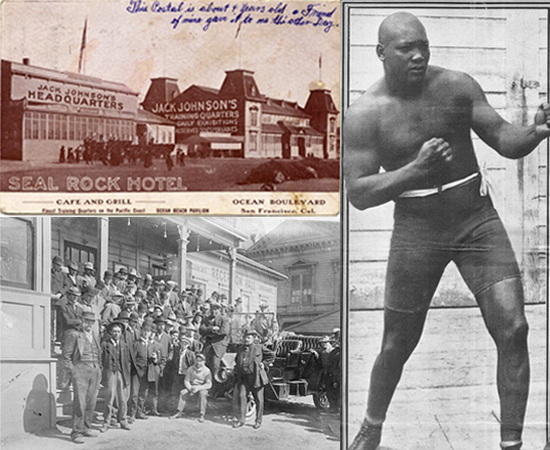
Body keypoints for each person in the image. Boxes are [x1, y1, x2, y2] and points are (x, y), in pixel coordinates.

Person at [344, 12, 550, 450]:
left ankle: (511, 442)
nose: (418, 55)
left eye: (424, 45)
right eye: (405, 49)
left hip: (476, 220)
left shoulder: (457, 85)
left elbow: (503, 138)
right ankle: (372, 425)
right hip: (416, 230)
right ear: (381, 53)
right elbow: (358, 193)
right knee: (397, 342)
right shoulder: (364, 114)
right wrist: (414, 170)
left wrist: (535, 132)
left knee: (514, 328)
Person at [61, 311, 102, 444]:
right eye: (87, 321)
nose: (89, 323)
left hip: (95, 370)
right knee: (80, 402)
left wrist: (99, 368)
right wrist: (73, 371)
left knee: (91, 401)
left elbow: (98, 353)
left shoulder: (95, 335)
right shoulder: (74, 335)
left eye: (92, 321)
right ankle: (76, 432)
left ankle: (86, 428)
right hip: (81, 369)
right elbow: (66, 356)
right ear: (81, 321)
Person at [232, 330, 274, 429]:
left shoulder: (259, 347)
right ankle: (241, 420)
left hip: (256, 378)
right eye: (245, 338)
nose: (246, 340)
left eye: (248, 338)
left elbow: (271, 355)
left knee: (259, 400)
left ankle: (258, 421)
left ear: (253, 339)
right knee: (242, 397)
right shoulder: (240, 349)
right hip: (243, 378)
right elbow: (236, 360)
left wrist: (264, 364)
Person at [100, 321, 131, 432]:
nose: (116, 334)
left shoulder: (124, 345)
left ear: (121, 333)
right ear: (110, 332)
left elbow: (127, 361)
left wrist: (126, 375)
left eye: (118, 331)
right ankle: (106, 423)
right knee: (109, 398)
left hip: (121, 374)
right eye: (114, 331)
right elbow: (101, 361)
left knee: (123, 400)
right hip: (110, 373)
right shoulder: (105, 345)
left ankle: (123, 421)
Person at [169, 352, 212, 422]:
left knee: (203, 394)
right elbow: (186, 380)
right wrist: (190, 388)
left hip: (201, 387)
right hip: (191, 387)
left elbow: (209, 384)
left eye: (200, 361)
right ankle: (179, 411)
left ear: (204, 362)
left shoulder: (207, 371)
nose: (198, 363)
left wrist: (198, 388)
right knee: (183, 392)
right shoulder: (190, 369)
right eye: (197, 360)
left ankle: (202, 414)